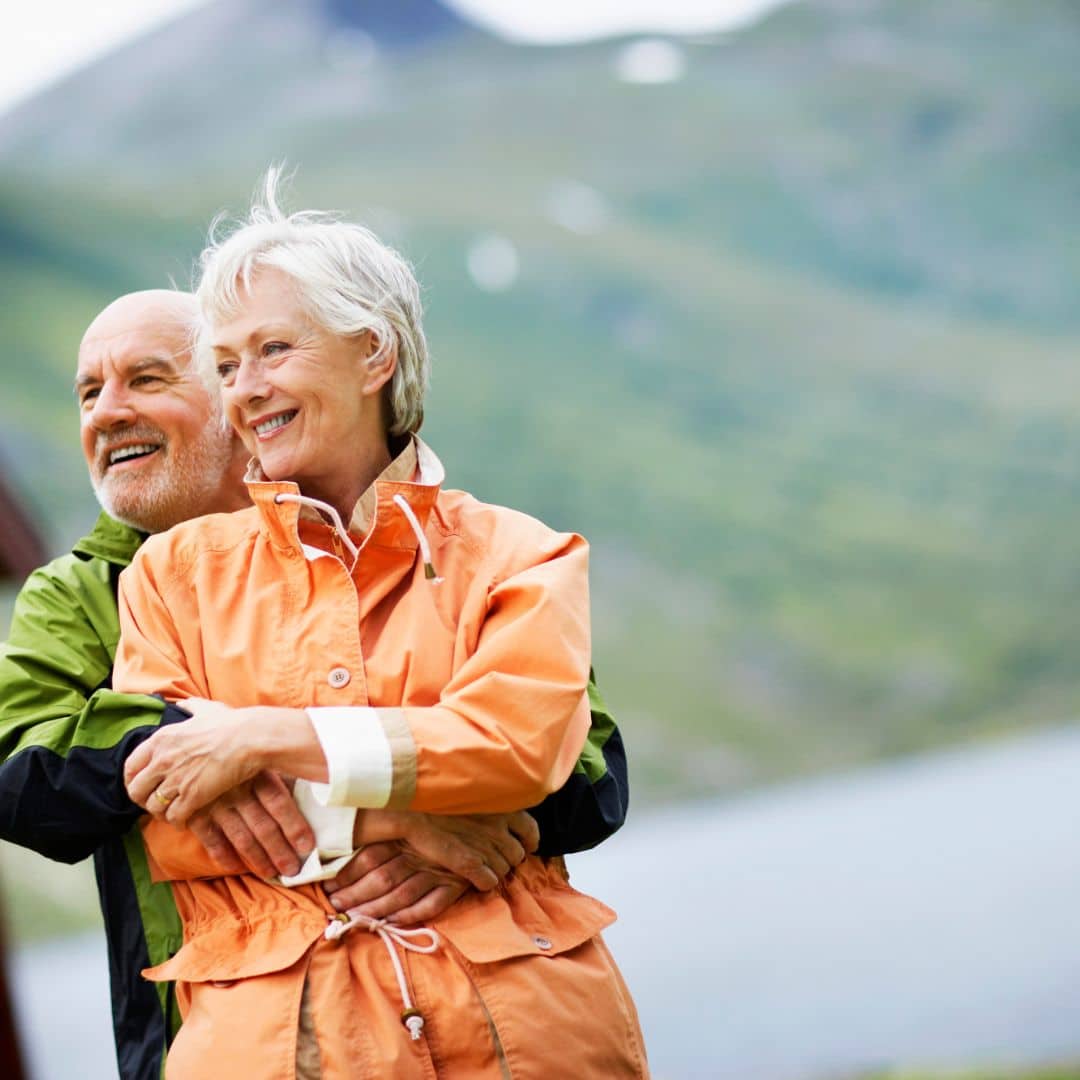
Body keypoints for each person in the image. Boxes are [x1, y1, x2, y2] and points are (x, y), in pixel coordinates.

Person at [0, 290, 629, 1079]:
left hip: (498, 1027)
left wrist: (499, 814)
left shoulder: (457, 548)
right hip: (213, 1032)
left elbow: (587, 768)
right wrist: (395, 817)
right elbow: (22, 775)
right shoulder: (83, 594)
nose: (107, 412)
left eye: (148, 379)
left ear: (238, 402)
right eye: (90, 393)